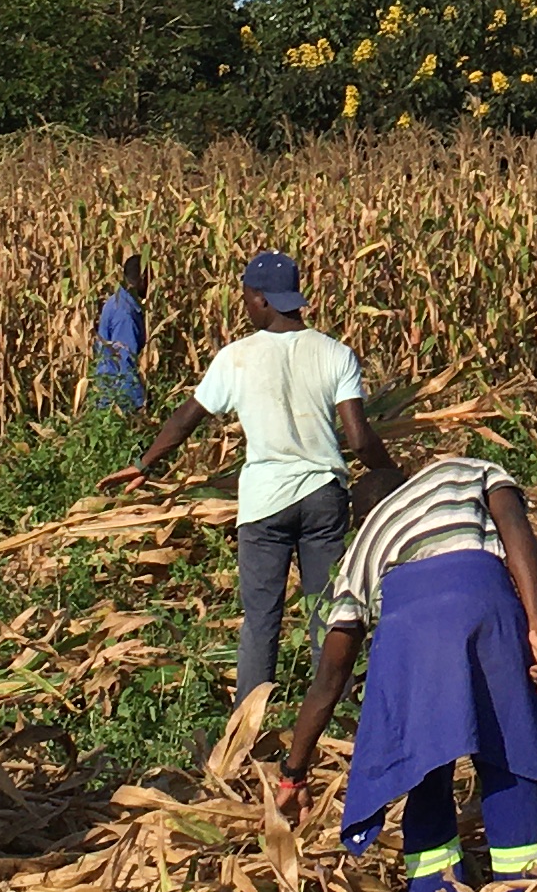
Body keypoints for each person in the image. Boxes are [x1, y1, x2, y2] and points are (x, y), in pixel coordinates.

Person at [270, 439, 537, 892]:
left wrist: (293, 773)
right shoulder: (467, 470)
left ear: (363, 516)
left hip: (411, 633)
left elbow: (331, 673)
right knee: (512, 752)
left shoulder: (365, 544)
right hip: (485, 602)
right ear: (406, 483)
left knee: (423, 765)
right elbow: (514, 527)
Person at [102, 250, 368, 704]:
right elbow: (359, 438)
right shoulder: (335, 353)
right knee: (326, 611)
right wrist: (390, 475)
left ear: (262, 299)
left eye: (247, 296)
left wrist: (146, 464)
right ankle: (337, 716)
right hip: (324, 497)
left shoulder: (237, 358)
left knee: (261, 618)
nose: (245, 305)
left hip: (265, 504)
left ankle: (250, 720)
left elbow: (188, 416)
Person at [93, 253, 150, 414]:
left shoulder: (116, 301)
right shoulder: (125, 314)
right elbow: (124, 360)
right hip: (117, 399)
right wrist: (138, 403)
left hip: (107, 391)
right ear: (143, 278)